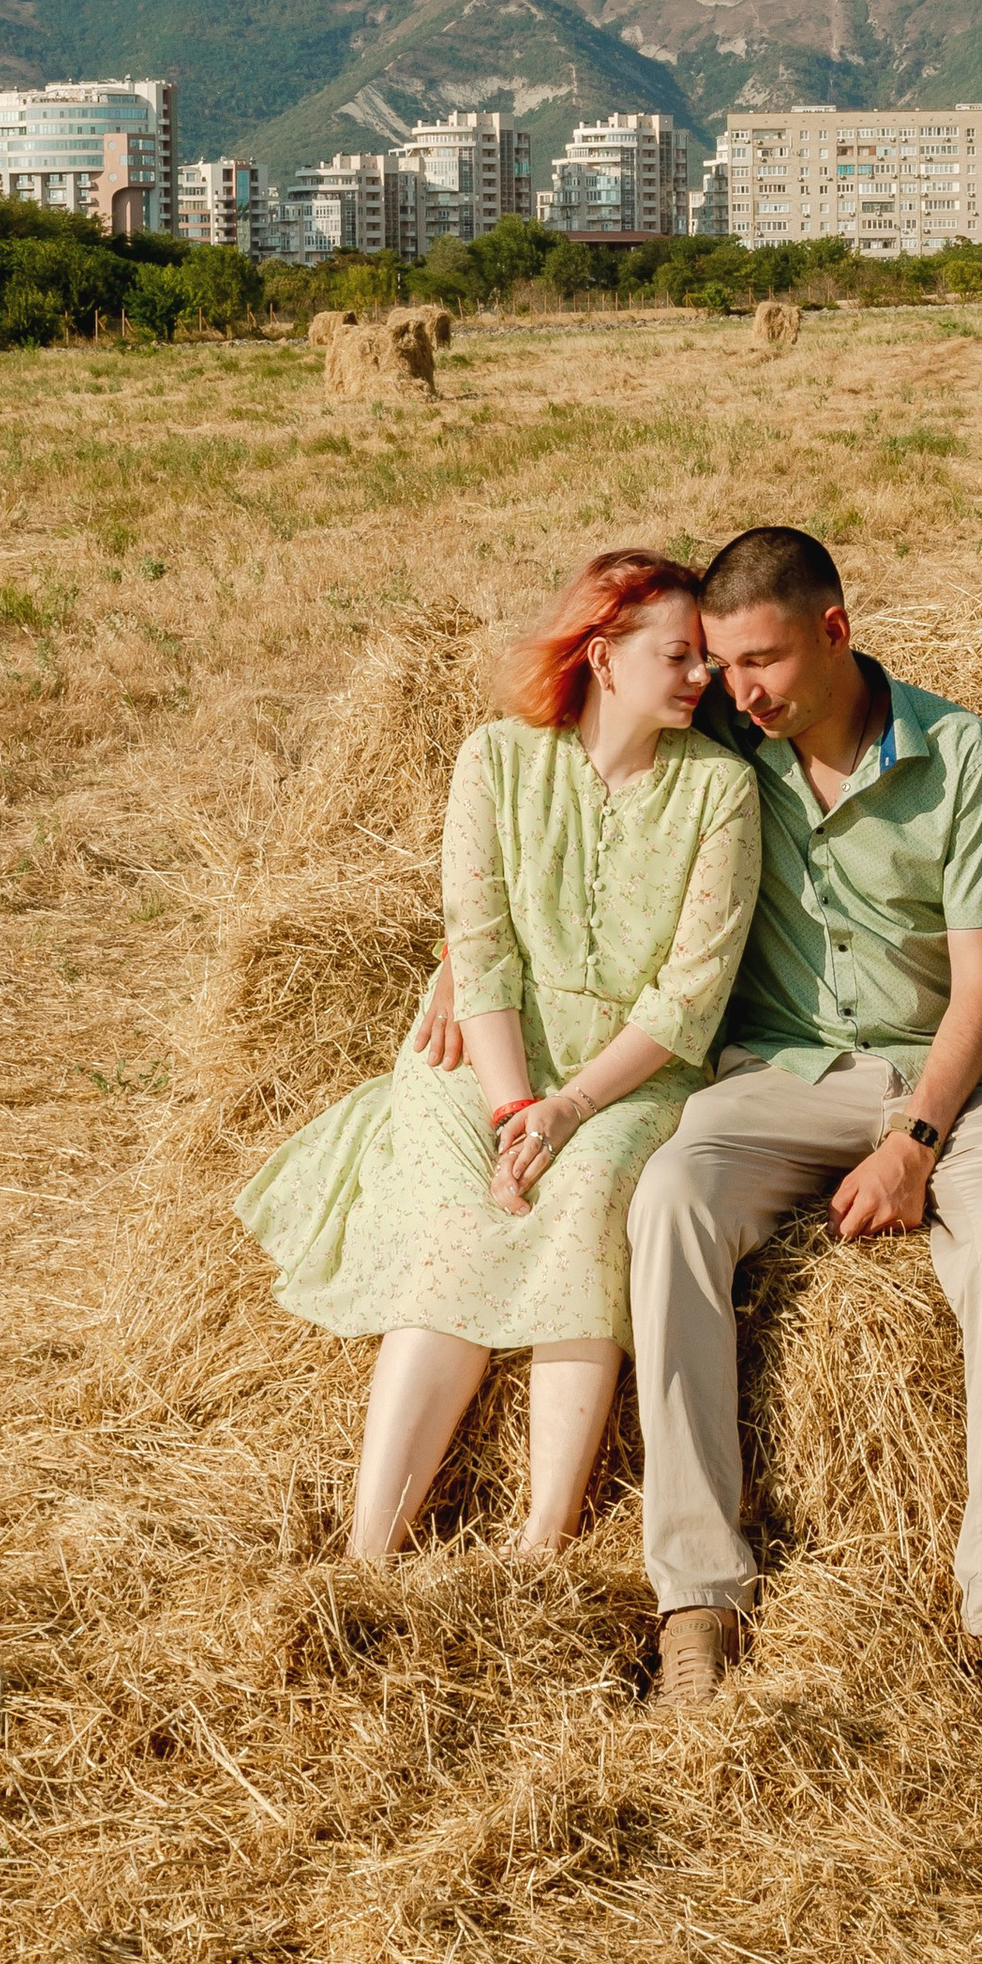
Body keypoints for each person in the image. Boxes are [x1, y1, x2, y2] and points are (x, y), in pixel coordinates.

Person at [423, 523, 982, 1754]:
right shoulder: (731, 733)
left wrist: (912, 1142)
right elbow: (566, 782)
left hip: (942, 1075)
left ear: (835, 633)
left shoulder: (956, 756)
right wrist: (449, 967)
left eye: (761, 662)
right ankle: (697, 1593)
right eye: (722, 666)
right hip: (776, 1073)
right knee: (673, 1197)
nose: (735, 690)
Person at [236, 550, 760, 1566]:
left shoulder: (721, 792)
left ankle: (541, 1543)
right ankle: (367, 1554)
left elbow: (689, 995)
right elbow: (478, 946)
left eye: (706, 658)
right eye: (680, 655)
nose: (706, 676)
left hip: (630, 1071)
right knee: (461, 1218)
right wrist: (514, 1102)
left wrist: (565, 1112)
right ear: (603, 655)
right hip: (489, 1052)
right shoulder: (496, 760)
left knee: (593, 1198)